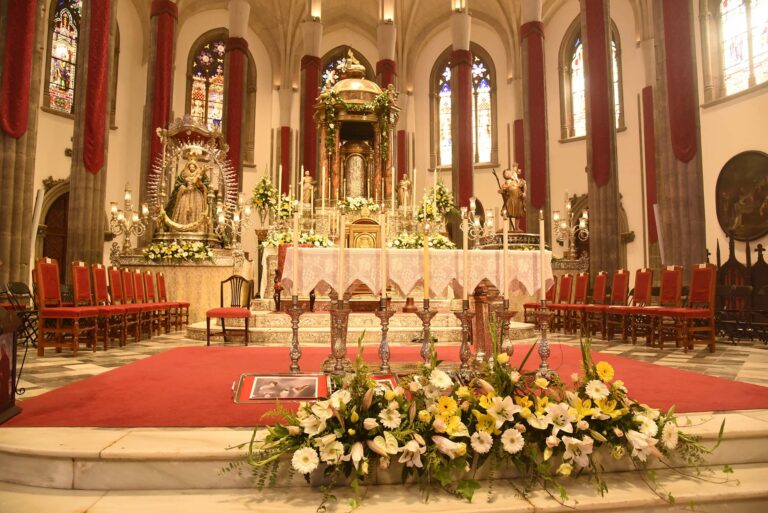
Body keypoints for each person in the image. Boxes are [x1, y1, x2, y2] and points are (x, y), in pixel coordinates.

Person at [170, 158, 208, 227]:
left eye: (193, 167)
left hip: (196, 195)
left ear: (196, 167)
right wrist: (183, 188)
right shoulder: (185, 176)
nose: (191, 168)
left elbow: (204, 186)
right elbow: (179, 185)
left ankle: (197, 228)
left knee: (196, 209)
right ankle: (183, 226)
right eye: (190, 166)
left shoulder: (199, 175)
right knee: (184, 208)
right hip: (186, 193)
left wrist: (199, 182)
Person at [499, 164, 526, 231]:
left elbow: (524, 184)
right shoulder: (506, 183)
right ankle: (504, 226)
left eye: (508, 172)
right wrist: (501, 191)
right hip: (510, 199)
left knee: (518, 213)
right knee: (506, 212)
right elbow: (503, 190)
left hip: (518, 199)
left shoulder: (517, 181)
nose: (508, 174)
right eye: (506, 173)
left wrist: (524, 192)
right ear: (504, 176)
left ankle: (517, 227)